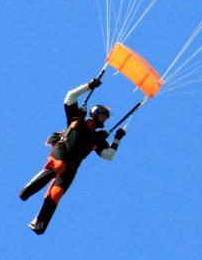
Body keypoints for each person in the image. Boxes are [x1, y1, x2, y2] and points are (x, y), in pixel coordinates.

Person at [20, 77, 126, 234]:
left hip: (72, 166)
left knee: (56, 194)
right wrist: (89, 86)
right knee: (58, 166)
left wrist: (117, 139)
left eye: (105, 118)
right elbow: (70, 96)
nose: (104, 119)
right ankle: (27, 190)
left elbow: (108, 155)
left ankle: (38, 224)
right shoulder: (78, 118)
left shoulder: (98, 138)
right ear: (95, 113)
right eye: (103, 115)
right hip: (62, 150)